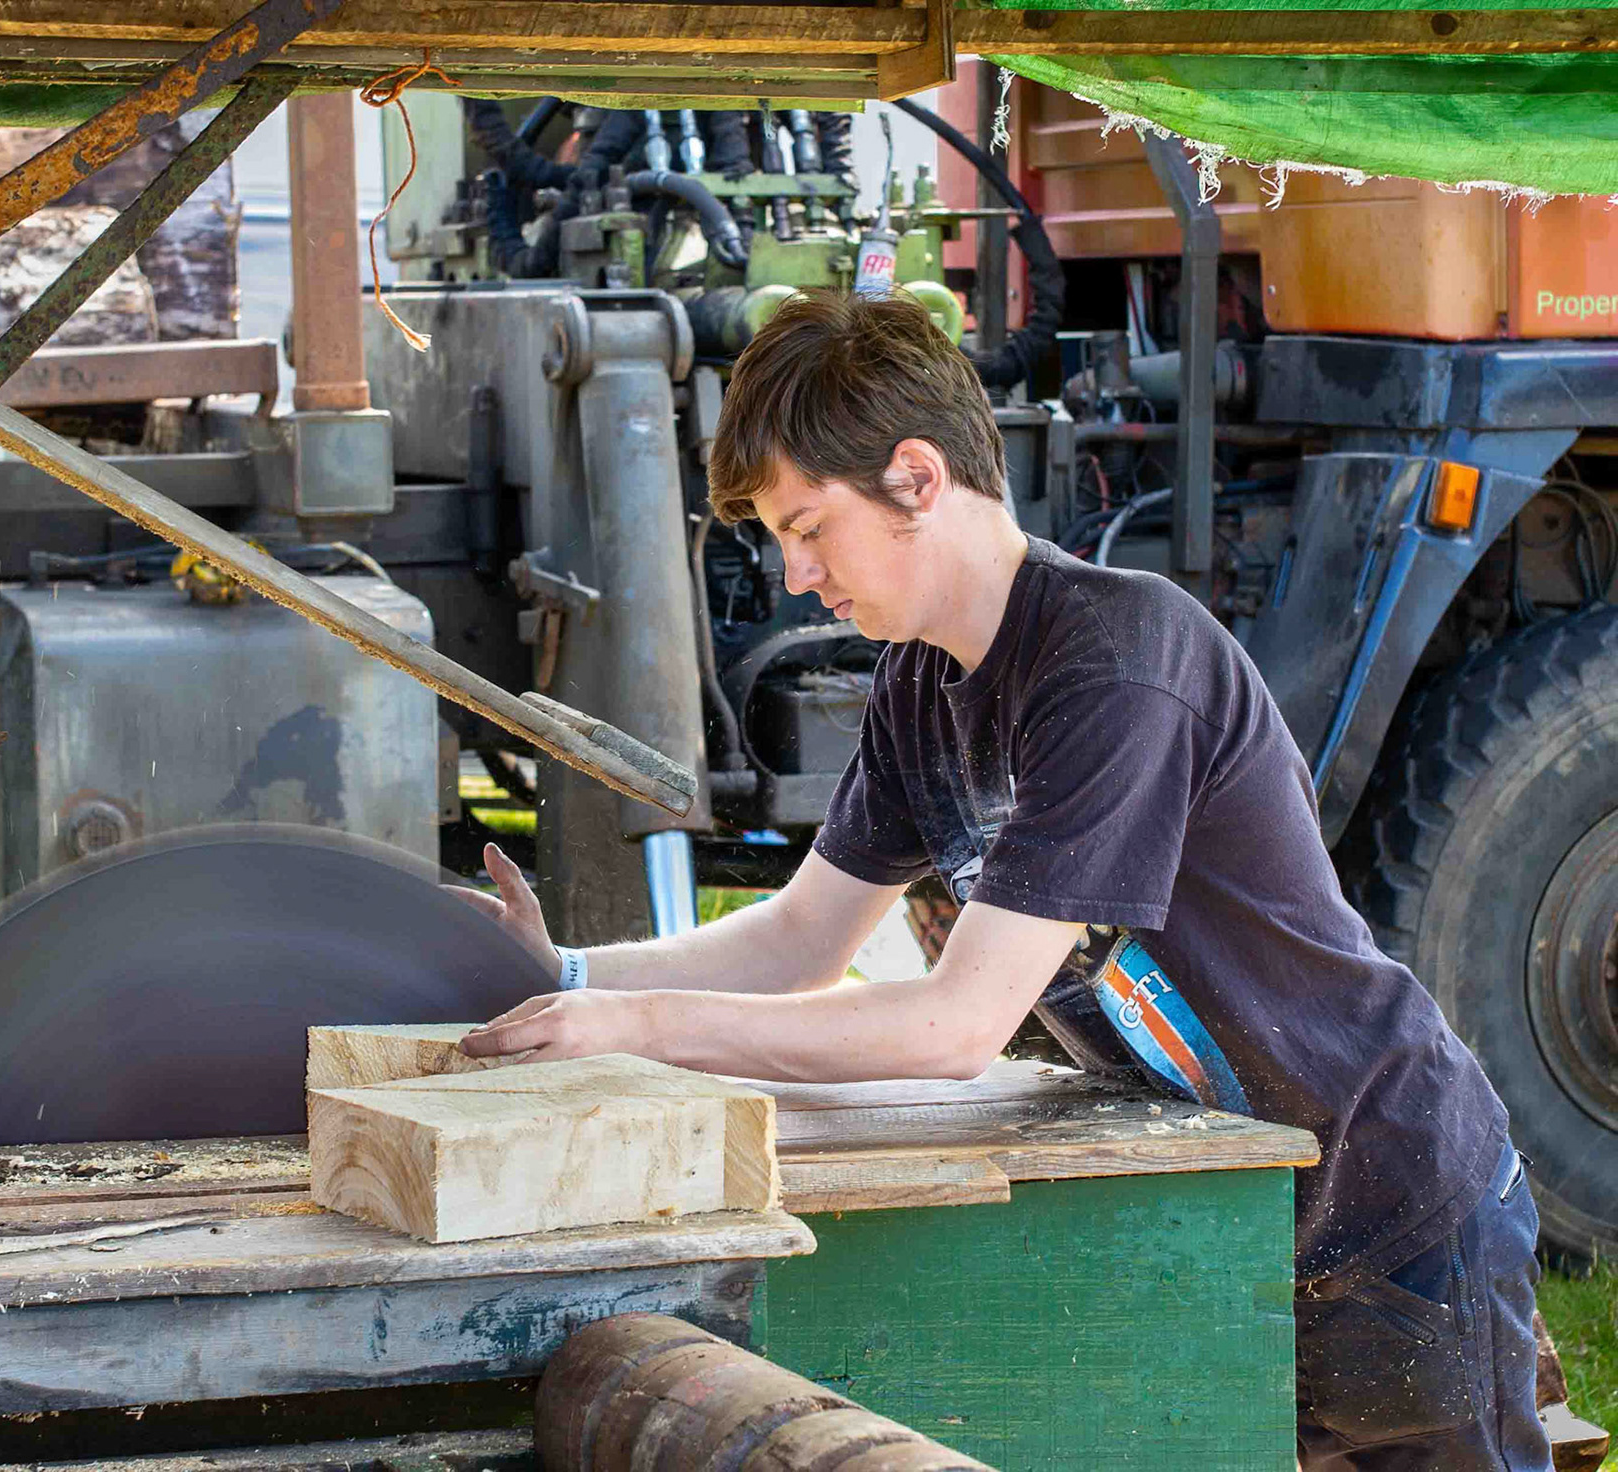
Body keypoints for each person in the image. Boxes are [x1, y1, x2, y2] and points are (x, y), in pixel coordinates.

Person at [454, 289, 1546, 1469]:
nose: (796, 575)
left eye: (810, 526)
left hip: (1395, 1191)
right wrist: (562, 970)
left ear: (917, 477)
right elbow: (798, 940)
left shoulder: (1118, 662)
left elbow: (955, 1022)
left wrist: (642, 1024)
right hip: (1240, 1202)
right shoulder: (921, 691)